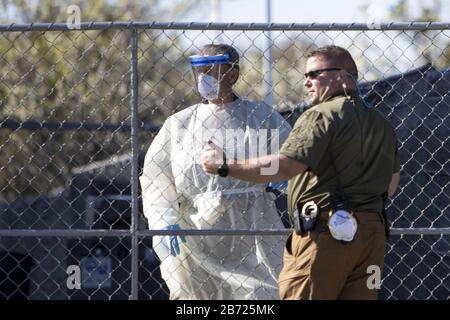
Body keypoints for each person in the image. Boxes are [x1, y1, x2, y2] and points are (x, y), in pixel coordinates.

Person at [202, 45, 401, 300]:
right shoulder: (381, 122)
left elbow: (285, 167)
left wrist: (226, 165)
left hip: (326, 236)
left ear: (341, 75)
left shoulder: (321, 115)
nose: (306, 82)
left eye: (314, 74)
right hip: (371, 238)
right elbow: (391, 185)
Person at [140, 43, 291, 299]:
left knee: (260, 295)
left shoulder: (260, 117)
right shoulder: (179, 125)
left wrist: (282, 177)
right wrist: (164, 219)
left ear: (233, 74)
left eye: (211, 69)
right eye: (200, 71)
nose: (204, 77)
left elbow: (293, 160)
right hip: (195, 233)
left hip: (252, 227)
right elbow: (157, 177)